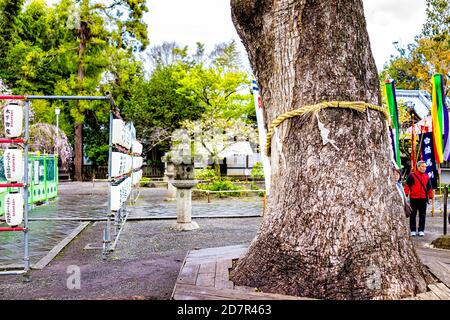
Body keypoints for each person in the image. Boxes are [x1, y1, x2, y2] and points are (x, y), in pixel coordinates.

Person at [404, 160, 434, 237]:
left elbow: (429, 188)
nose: (424, 168)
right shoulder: (412, 175)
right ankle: (413, 230)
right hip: (414, 198)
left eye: (425, 167)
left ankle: (421, 230)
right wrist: (405, 195)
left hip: (423, 199)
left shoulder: (426, 176)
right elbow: (407, 186)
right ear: (418, 167)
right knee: (413, 215)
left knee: (422, 215)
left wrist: (430, 196)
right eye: (423, 166)